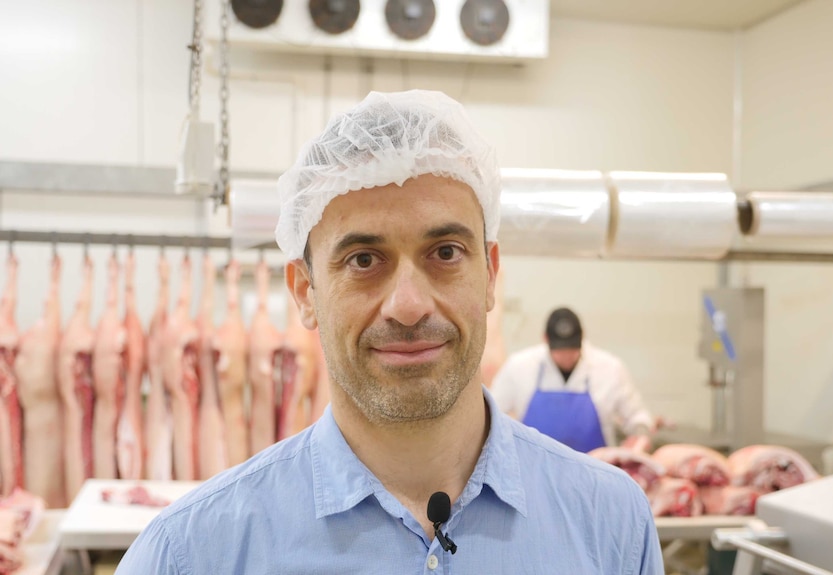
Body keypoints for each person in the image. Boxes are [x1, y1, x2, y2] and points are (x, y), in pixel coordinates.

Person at [116, 90, 663, 573]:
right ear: (305, 291)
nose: (408, 306)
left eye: (445, 253)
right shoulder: (192, 553)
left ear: (491, 274)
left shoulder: (610, 525)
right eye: (362, 259)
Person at [491, 306, 658, 453]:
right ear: (546, 339)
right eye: (560, 350)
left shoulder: (610, 368)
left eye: (573, 349)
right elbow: (491, 413)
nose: (567, 356)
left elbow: (637, 415)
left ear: (582, 338)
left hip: (595, 473)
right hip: (532, 472)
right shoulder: (519, 366)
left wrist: (640, 434)